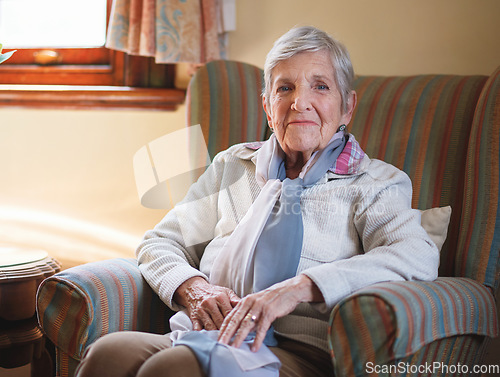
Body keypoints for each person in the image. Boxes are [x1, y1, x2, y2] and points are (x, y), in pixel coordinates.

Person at [76, 26, 439, 377]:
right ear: (268, 107)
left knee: (172, 370)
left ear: (347, 107)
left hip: (298, 352)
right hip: (204, 333)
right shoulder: (233, 166)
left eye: (321, 86)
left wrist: (297, 288)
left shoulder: (373, 182)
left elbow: (415, 254)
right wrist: (195, 289)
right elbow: (161, 241)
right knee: (108, 355)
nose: (300, 102)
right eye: (285, 88)